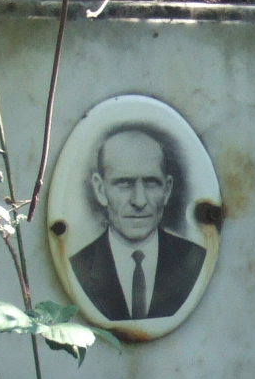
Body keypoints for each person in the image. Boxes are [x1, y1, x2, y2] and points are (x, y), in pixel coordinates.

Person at [68, 125, 206, 323]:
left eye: (151, 182)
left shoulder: (195, 261)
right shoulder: (79, 266)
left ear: (167, 190)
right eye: (124, 183)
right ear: (100, 189)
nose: (139, 201)